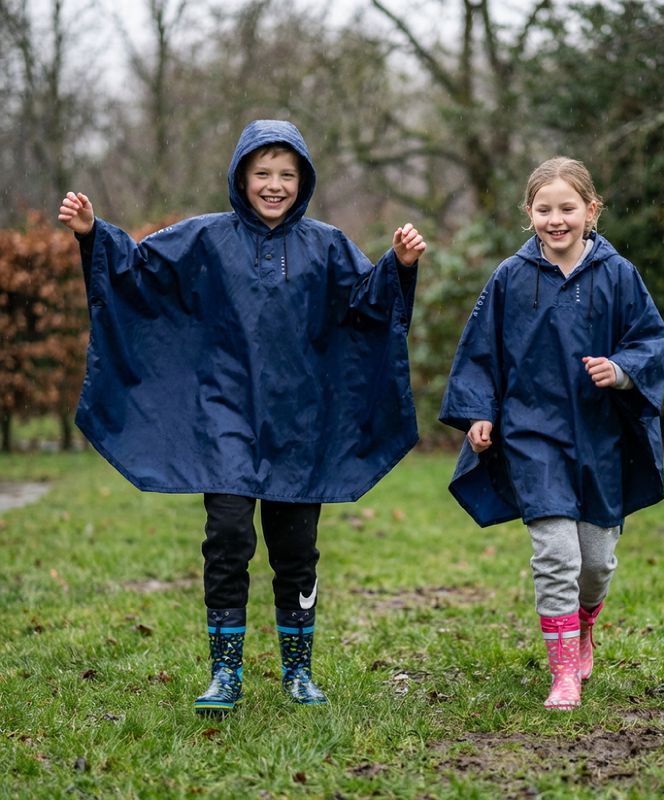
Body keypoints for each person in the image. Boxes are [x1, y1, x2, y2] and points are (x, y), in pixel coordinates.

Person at [58, 119, 426, 715]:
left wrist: (398, 266)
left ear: (303, 180)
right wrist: (93, 234)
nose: (274, 185)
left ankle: (298, 672)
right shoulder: (204, 239)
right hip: (224, 415)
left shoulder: (328, 246)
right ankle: (225, 671)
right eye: (262, 173)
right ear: (240, 176)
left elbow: (367, 307)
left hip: (299, 421)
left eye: (287, 174)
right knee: (227, 537)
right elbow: (141, 274)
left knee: (295, 548)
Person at [439, 157, 664, 710]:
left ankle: (585, 622)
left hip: (601, 435)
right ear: (529, 212)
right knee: (556, 552)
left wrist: (620, 369)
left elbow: (649, 338)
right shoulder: (510, 278)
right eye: (544, 209)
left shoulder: (618, 274)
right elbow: (481, 352)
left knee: (596, 560)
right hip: (532, 433)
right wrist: (479, 413)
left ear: (591, 210)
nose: (556, 219)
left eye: (568, 208)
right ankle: (563, 673)